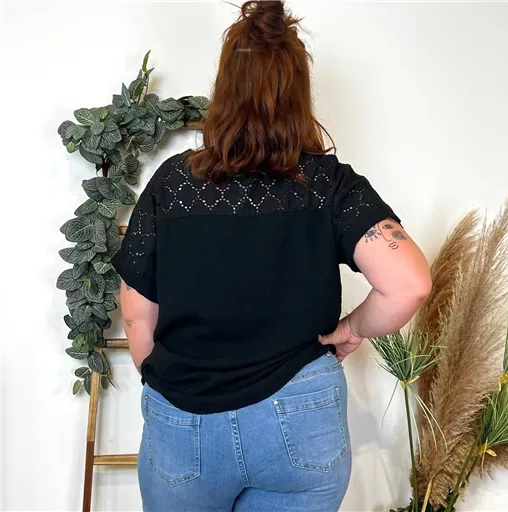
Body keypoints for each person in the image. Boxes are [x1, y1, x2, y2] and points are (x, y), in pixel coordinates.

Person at [111, 0, 432, 510]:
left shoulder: (173, 184)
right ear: (299, 95)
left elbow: (135, 310)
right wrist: (351, 329)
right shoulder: (328, 184)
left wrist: (164, 387)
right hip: (301, 413)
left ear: (224, 91)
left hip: (185, 417)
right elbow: (409, 283)